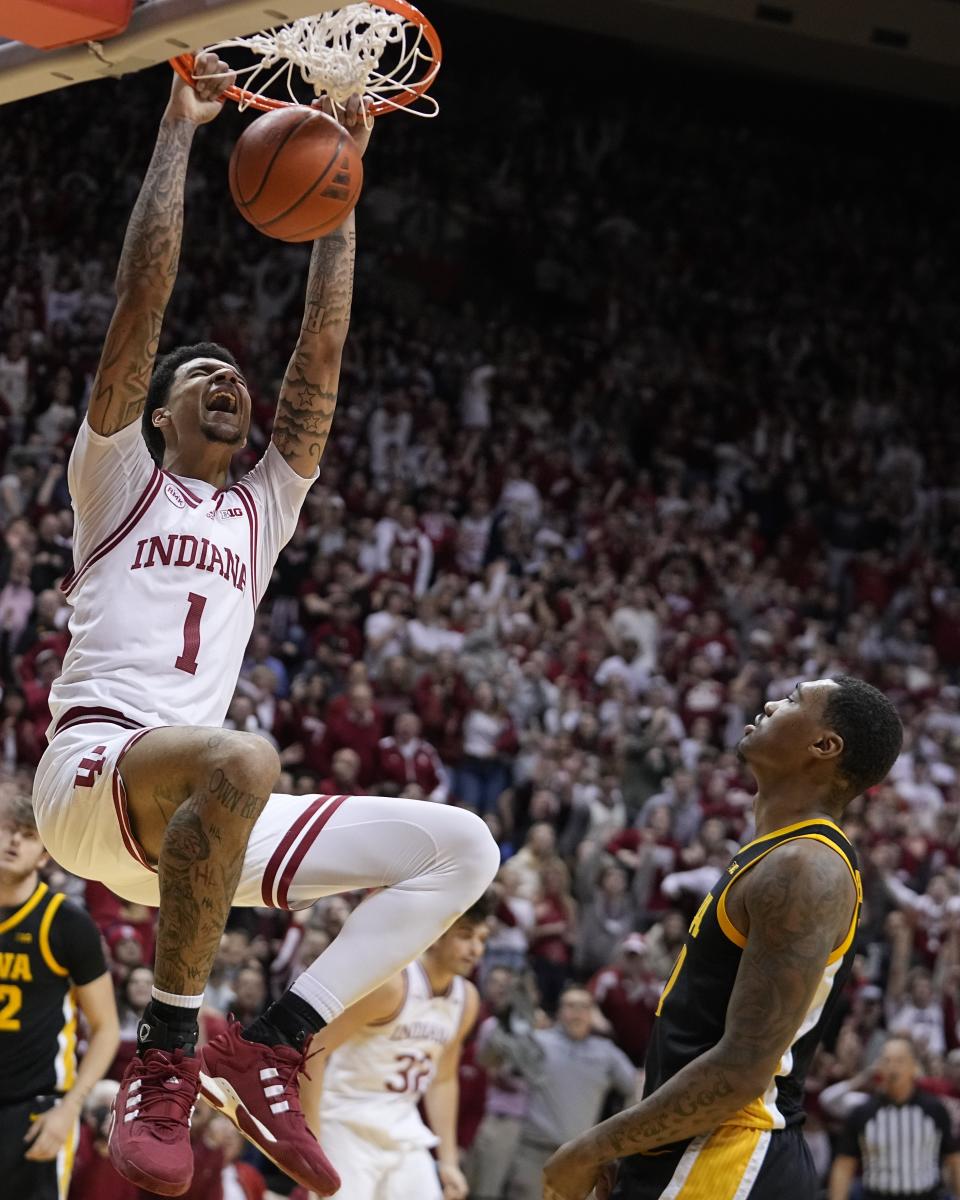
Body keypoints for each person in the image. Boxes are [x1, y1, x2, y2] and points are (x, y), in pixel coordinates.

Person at [30, 58, 499, 1198]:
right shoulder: (116, 478)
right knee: (243, 753)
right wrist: (180, 134)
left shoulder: (261, 508)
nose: (228, 382)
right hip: (97, 780)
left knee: (463, 849)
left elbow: (320, 364)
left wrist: (340, 202)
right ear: (157, 412)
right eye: (203, 377)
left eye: (236, 377)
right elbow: (139, 309)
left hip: (196, 831)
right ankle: (170, 1052)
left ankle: (274, 1039)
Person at [541, 675, 904, 1200]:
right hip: (697, 1151)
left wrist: (594, 1146)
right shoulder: (776, 853)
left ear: (824, 746)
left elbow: (742, 1070)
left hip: (732, 1159)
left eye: (795, 700)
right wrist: (641, 1144)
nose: (772, 701)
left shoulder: (805, 867)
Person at [298, 895, 491, 1200]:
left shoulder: (467, 999)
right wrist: (311, 1139)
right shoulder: (393, 985)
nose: (476, 949)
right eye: (465, 936)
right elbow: (313, 1050)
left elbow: (442, 1079)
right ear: (436, 933)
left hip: (405, 1133)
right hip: (346, 1126)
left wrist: (449, 1162)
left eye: (482, 939)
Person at [0, 787, 120, 1200]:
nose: (14, 840)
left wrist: (70, 1108)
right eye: (6, 829)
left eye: (27, 834)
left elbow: (106, 1028)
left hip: (35, 1112)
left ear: (45, 854)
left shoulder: (66, 923)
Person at [498, 984, 636, 1199]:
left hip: (579, 1157)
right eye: (570, 1006)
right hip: (534, 1153)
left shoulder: (606, 1052)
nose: (577, 1013)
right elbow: (501, 1069)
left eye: (584, 1007)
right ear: (560, 1011)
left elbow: (632, 1085)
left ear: (593, 1014)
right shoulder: (539, 1041)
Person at [829, 1035, 960, 1200]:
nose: (892, 1067)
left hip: (926, 1195)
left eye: (900, 1060)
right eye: (886, 1060)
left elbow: (954, 1160)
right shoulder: (863, 1112)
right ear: (879, 1067)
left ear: (914, 1066)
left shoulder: (934, 1110)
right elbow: (844, 1165)